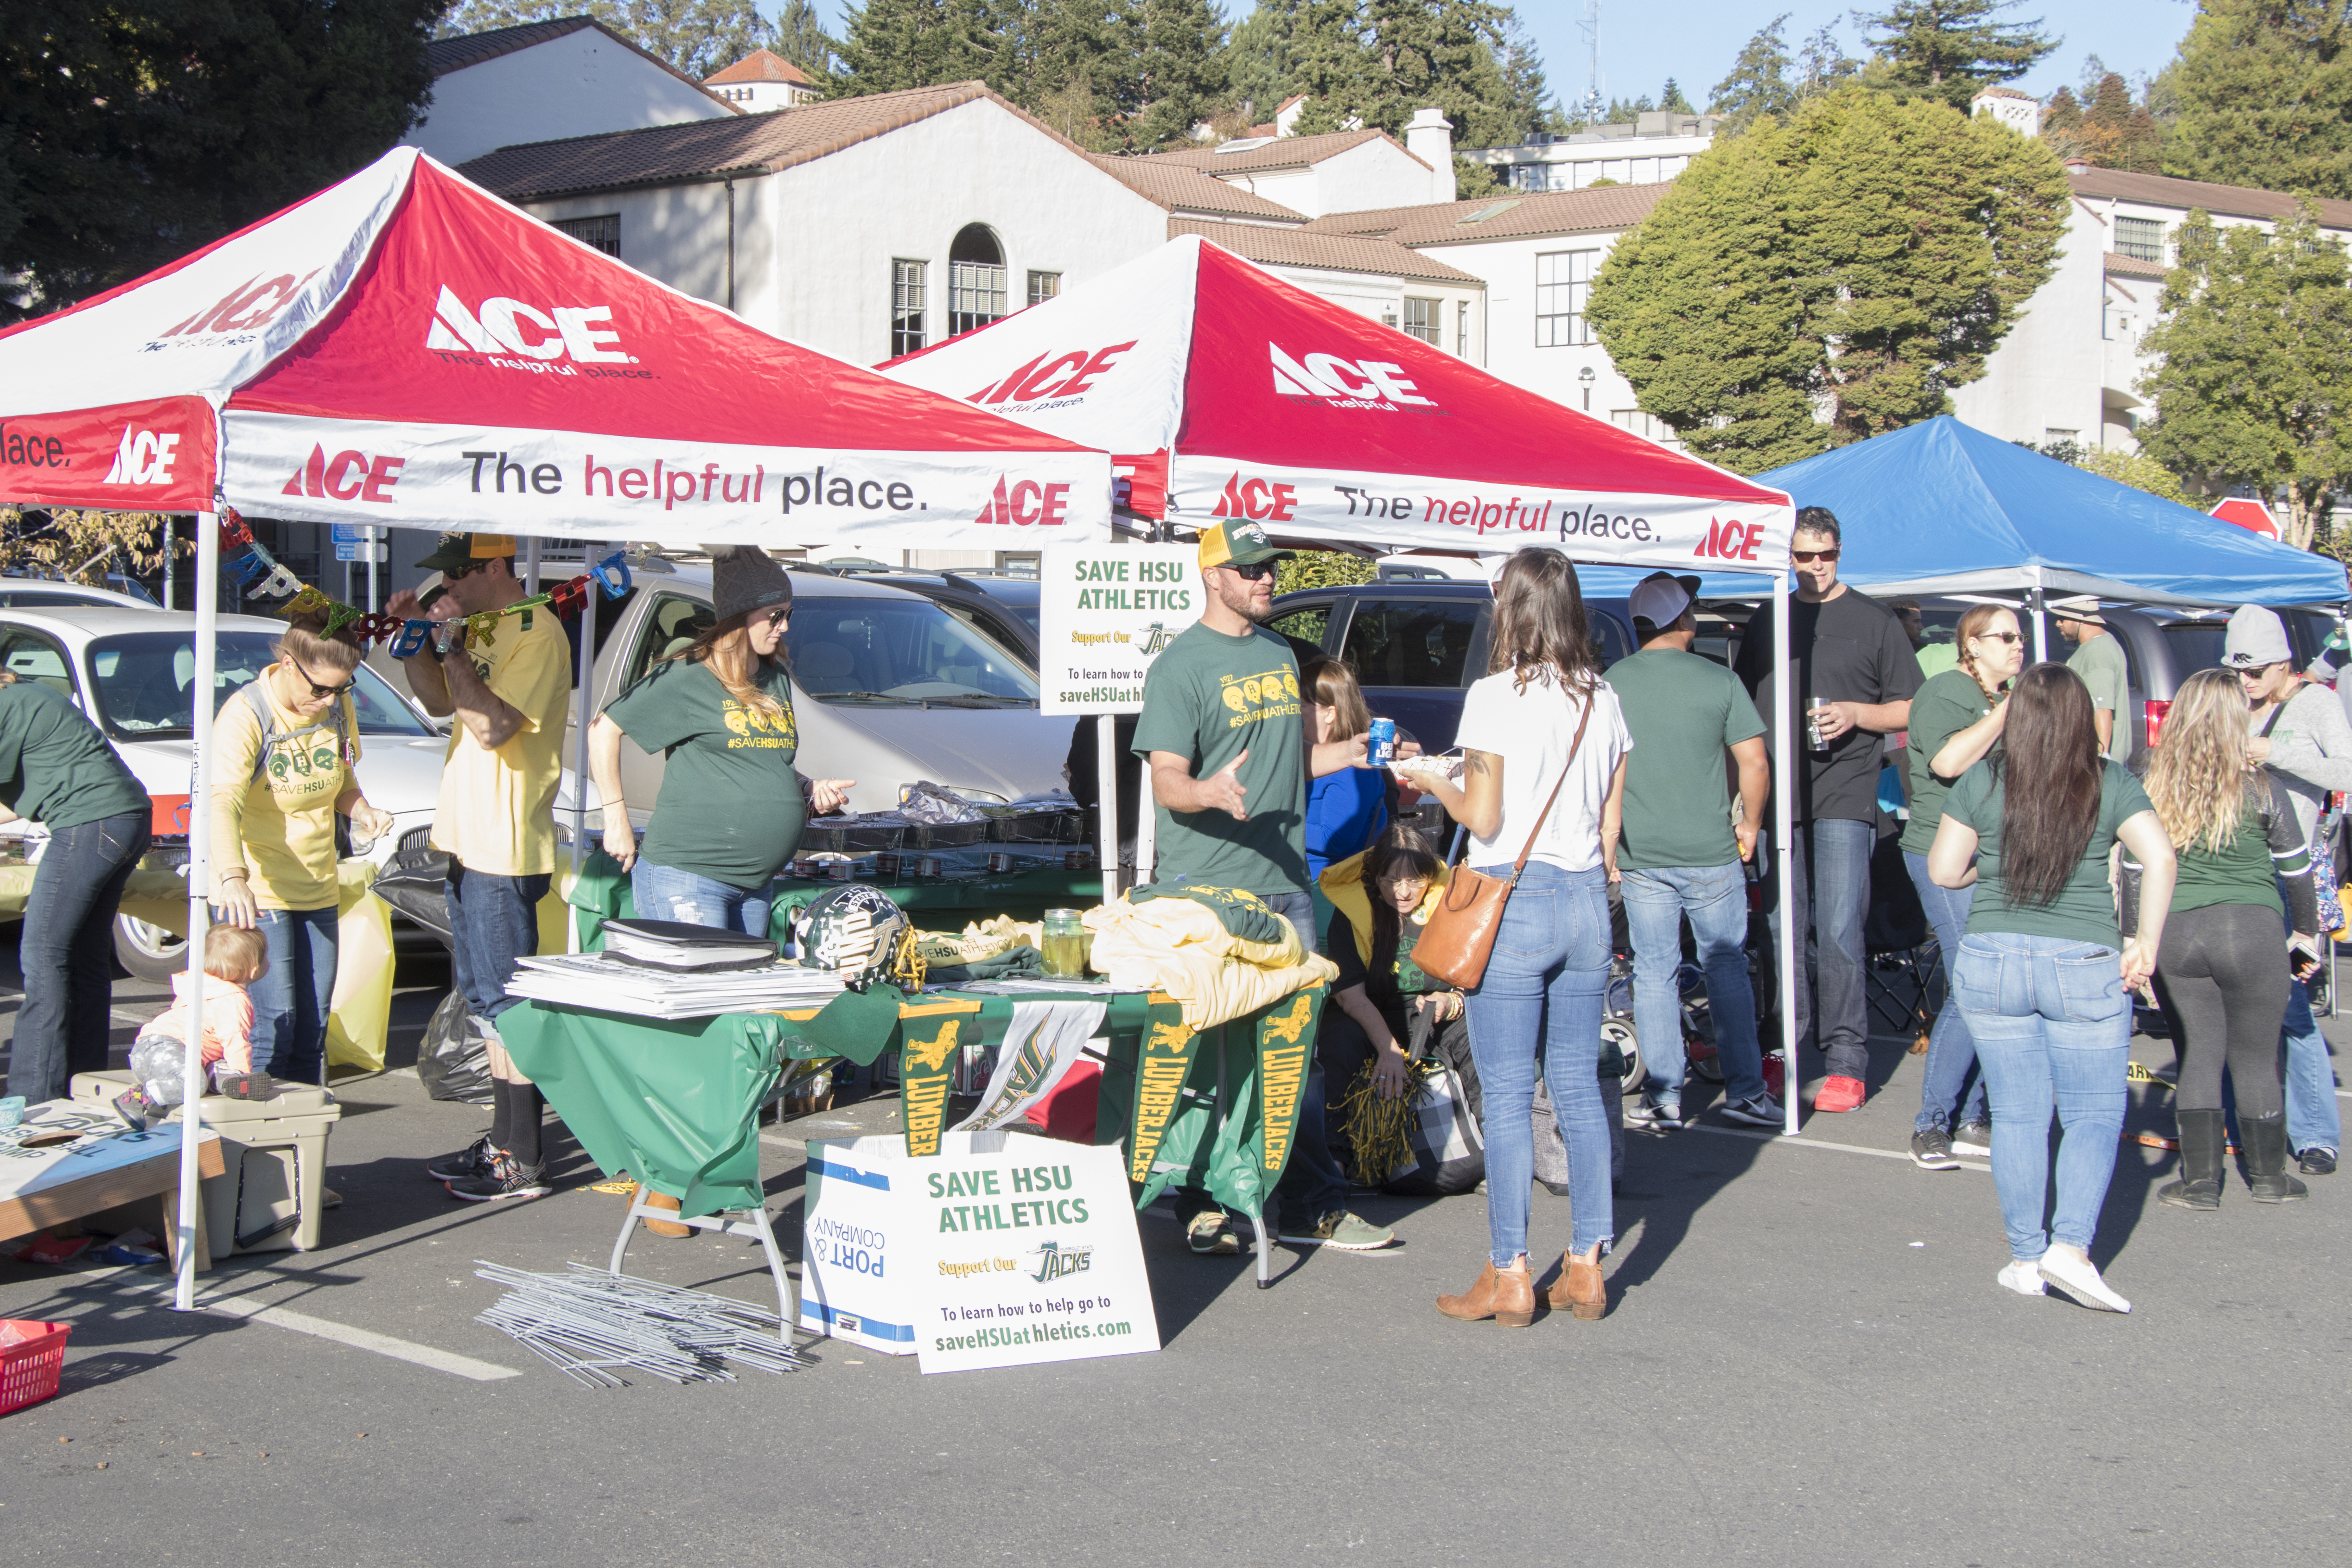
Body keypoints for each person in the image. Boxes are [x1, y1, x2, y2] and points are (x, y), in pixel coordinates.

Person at [1131, 517, 1397, 1256]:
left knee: (1295, 1056)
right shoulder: (1180, 667)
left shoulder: (1282, 653)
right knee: (1209, 1057)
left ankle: (1316, 1202)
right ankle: (1204, 1200)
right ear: (1212, 576)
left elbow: (1297, 766)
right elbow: (1166, 779)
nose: (1265, 580)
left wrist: (1366, 751)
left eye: (1269, 568)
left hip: (1285, 890)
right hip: (1207, 893)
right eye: (1249, 570)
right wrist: (1206, 792)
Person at [1414, 548, 1632, 1326]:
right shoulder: (1601, 697)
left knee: (1506, 1095)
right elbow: (1609, 822)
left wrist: (1427, 778)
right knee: (1575, 1086)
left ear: (1509, 609)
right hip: (1583, 898)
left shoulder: (1494, 694)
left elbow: (1482, 816)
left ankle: (1508, 1268)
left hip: (1514, 895)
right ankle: (1585, 1263)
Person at [1929, 663, 2176, 1313]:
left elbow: (1943, 869)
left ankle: (2025, 1255)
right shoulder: (2109, 780)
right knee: (2092, 1112)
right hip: (2083, 958)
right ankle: (2071, 1248)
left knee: (2017, 1114)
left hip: (1991, 956)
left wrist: (1996, 864)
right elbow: (2160, 857)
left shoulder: (1984, 779)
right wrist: (2144, 939)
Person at [387, 533, 573, 1204]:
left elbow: (493, 726)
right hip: (468, 838)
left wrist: (454, 645)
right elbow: (443, 704)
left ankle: (522, 1155)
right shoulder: (486, 626)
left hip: (504, 842)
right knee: (485, 999)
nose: (449, 588)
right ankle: (505, 1142)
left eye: (458, 575)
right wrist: (418, 640)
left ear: (495, 566)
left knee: (507, 1005)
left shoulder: (538, 632)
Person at [1733, 507, 1922, 1114]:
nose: (1815, 567)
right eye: (1802, 556)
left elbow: (1914, 706)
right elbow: (1737, 702)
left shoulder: (1873, 620)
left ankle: (1845, 1059)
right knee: (1779, 930)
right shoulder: (1771, 615)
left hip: (1845, 791)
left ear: (1840, 552)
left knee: (1840, 930)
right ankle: (1780, 1049)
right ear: (1787, 559)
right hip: (1776, 796)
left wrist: (1857, 714)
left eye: (1825, 555)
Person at [2129, 669, 2318, 1209]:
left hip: (2178, 934)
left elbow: (2136, 868)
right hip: (2253, 931)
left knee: (2199, 1055)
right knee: (2257, 1058)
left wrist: (2136, 939)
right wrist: (2303, 936)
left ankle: (2201, 1183)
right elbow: (2298, 871)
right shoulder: (2262, 787)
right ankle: (2270, 1178)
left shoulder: (2152, 778)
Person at [592, 548, 853, 934]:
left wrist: (808, 789)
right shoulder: (689, 675)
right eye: (774, 615)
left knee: (741, 992)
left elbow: (763, 760)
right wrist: (616, 819)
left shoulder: (774, 676)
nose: (784, 626)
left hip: (755, 885)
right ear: (738, 616)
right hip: (688, 877)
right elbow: (603, 729)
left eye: (789, 614)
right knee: (701, 989)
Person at [1606, 572, 1778, 1130]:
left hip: (1640, 852)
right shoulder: (1719, 679)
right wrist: (1750, 823)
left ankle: (1663, 1096)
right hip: (1710, 849)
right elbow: (1754, 763)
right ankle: (1746, 1091)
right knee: (1724, 965)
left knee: (1653, 971)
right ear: (1684, 620)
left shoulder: (1612, 683)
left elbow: (1602, 771)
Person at [209, 613, 395, 1087]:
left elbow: (342, 781)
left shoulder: (336, 706)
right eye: (320, 689)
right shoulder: (246, 713)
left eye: (340, 688)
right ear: (288, 664)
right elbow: (222, 801)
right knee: (277, 1023)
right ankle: (259, 1147)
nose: (328, 700)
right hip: (256, 887)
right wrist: (232, 875)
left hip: (317, 883)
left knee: (313, 1028)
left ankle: (304, 1144)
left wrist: (362, 811)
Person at [1899, 603, 2025, 1169]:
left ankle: (1976, 1116)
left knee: (1994, 983)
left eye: (2020, 637)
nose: (2018, 646)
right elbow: (1949, 761)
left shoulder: (2002, 697)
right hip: (1941, 850)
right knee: (1973, 980)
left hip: (1995, 853)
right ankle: (1931, 1123)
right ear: (1972, 645)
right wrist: (2004, 716)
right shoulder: (1945, 692)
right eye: (2006, 637)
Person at [2224, 604, 2347, 1178]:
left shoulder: (2317, 702)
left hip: (2293, 876)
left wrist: (2276, 752)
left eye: (2255, 673)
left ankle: (2317, 1133)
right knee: (2233, 1004)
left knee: (2292, 1005)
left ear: (2283, 664)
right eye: (2238, 673)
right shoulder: (2235, 703)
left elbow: (2346, 771)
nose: (2246, 683)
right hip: (2239, 871)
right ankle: (2241, 1122)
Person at [0, 666, 153, 1104]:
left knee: (44, 956)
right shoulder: (29, 694)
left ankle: (31, 1100)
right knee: (83, 958)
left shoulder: (8, 706)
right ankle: (84, 1087)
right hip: (127, 819)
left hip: (92, 824)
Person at [1317, 822, 1463, 1105]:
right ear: (1376, 877)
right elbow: (1350, 997)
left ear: (1430, 878)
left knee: (1476, 1038)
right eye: (1392, 881)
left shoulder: (1449, 906)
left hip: (1431, 1018)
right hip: (1369, 1015)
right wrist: (1389, 1050)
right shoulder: (1353, 912)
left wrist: (1451, 1000)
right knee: (1337, 1039)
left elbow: (1471, 982)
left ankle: (1487, 1139)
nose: (1404, 892)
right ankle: (1337, 1147)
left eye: (1416, 880)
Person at [114, 924, 271, 1127]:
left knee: (216, 1065)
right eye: (266, 956)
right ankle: (137, 1098)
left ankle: (224, 1080)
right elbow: (236, 1041)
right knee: (194, 1082)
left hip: (153, 1053)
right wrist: (243, 1073)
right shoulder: (233, 999)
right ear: (255, 969)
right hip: (165, 1048)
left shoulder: (203, 984)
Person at [1301, 658, 1387, 881]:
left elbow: (1335, 839)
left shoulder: (1354, 768)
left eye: (1299, 706)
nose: (1292, 715)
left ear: (1330, 713)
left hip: (1328, 889)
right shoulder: (1305, 758)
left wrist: (1270, 825)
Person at [2054, 598, 2131, 763]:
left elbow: (2102, 707)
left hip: (2095, 766)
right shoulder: (2099, 645)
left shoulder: (2099, 651)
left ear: (2079, 618)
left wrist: (2100, 759)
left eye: (2062, 618)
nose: (2058, 624)